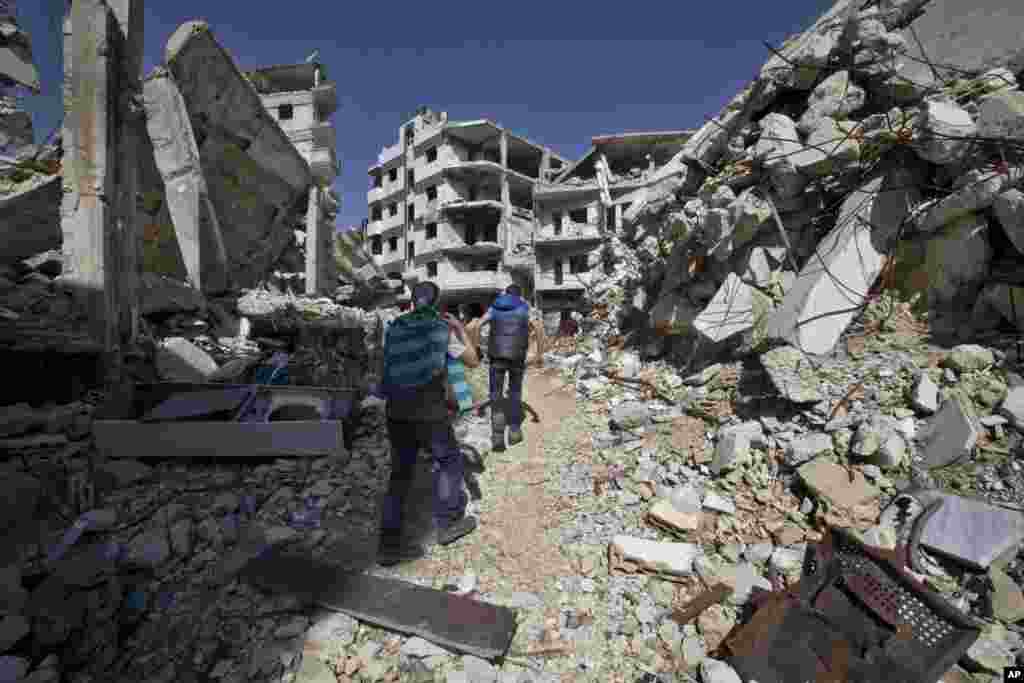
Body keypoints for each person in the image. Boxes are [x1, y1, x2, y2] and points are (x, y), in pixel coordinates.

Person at [377, 281, 479, 566]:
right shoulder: (441, 328)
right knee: (448, 460)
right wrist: (459, 328)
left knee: (400, 473)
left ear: (411, 302)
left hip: (396, 408)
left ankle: (388, 545)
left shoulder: (395, 327)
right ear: (436, 304)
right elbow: (472, 361)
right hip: (428, 409)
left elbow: (386, 366)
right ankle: (447, 524)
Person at [478, 284, 530, 452]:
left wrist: (478, 346)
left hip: (496, 357)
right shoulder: (524, 307)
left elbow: (477, 325)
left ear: (505, 294)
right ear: (519, 295)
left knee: (495, 394)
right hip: (517, 357)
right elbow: (537, 327)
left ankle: (497, 436)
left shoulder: (494, 308)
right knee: (515, 392)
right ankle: (514, 432)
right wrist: (537, 353)